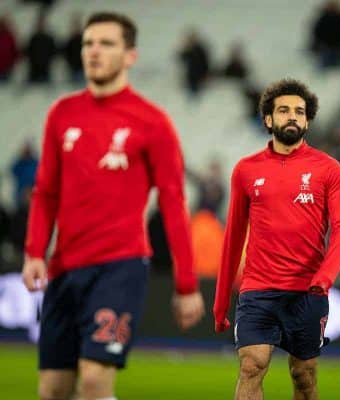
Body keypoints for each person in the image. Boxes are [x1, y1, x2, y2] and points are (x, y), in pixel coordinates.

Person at [21, 12, 205, 400]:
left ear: (130, 55)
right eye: (88, 43)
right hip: (64, 268)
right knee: (52, 390)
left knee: (93, 380)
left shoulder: (152, 122)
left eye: (106, 43)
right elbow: (45, 192)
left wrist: (185, 284)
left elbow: (173, 204)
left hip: (119, 268)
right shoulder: (62, 114)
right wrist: (35, 251)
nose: (94, 51)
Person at [213, 79, 340, 400]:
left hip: (307, 291)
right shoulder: (246, 170)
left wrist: (325, 277)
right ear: (268, 119)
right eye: (284, 110)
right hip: (258, 289)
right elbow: (233, 237)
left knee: (303, 375)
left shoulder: (328, 169)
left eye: (299, 112)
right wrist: (221, 301)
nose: (292, 116)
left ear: (307, 120)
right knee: (252, 365)